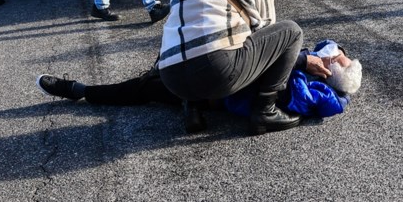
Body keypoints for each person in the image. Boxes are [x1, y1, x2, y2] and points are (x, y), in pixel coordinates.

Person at [151, 0, 304, 134]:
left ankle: (191, 109)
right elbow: (267, 29)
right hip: (217, 71)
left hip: (171, 77)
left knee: (192, 31)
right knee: (291, 32)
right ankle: (266, 110)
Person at [37, 40, 362, 132]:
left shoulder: (311, 91)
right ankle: (185, 100)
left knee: (143, 88)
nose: (334, 53)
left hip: (219, 91)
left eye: (338, 58)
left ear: (329, 73)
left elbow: (273, 70)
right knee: (154, 80)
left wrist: (301, 60)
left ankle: (79, 90)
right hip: (219, 84)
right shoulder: (321, 78)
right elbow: (327, 43)